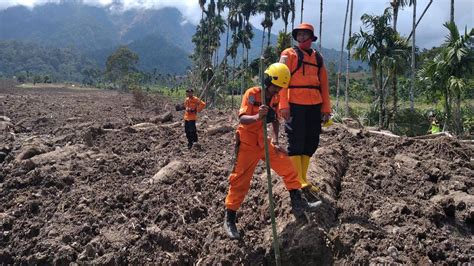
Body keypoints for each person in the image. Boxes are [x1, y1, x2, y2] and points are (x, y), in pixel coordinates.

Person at [223, 63, 322, 240]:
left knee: (288, 166)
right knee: (240, 181)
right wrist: (257, 116)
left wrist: (275, 140)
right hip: (247, 142)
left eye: (279, 88)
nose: (276, 91)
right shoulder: (252, 94)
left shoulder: (275, 98)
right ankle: (229, 219)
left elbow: (275, 120)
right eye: (275, 86)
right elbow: (243, 119)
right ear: (267, 80)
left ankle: (298, 203)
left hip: (263, 141)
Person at [278, 23, 332, 200]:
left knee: (311, 140)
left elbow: (324, 84)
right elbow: (281, 80)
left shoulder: (318, 58)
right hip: (295, 103)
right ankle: (298, 179)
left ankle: (303, 177)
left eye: (305, 34)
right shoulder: (288, 54)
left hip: (314, 104)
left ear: (311, 37)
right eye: (299, 35)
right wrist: (283, 105)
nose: (301, 37)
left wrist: (326, 109)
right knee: (296, 139)